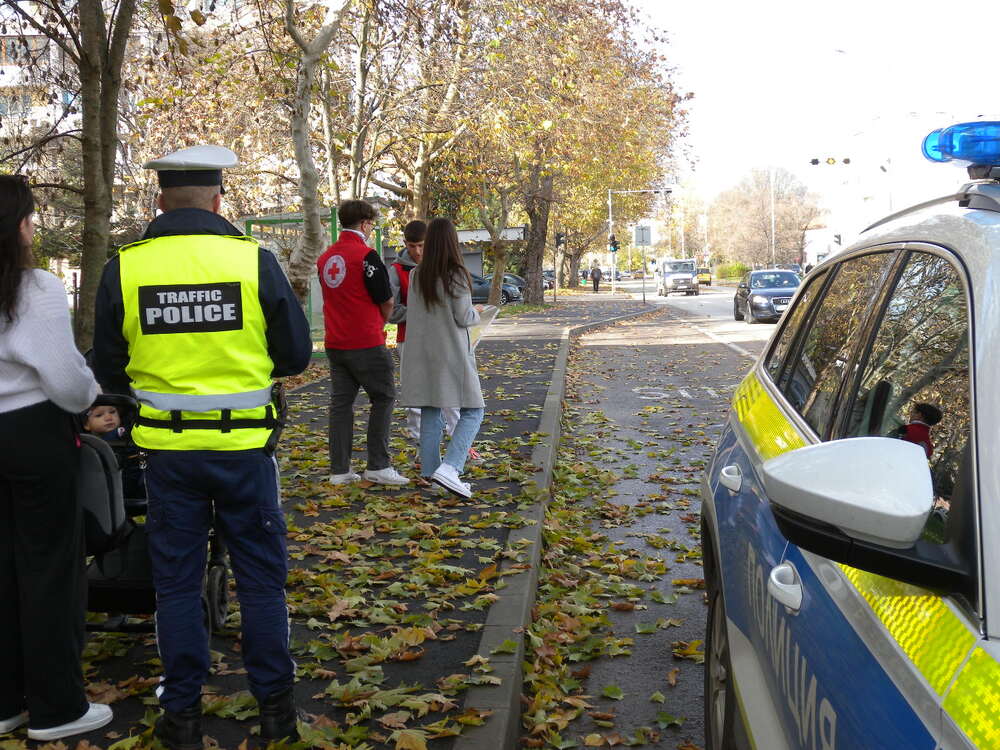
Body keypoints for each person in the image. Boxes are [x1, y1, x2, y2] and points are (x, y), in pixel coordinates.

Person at [92, 146, 312, 750]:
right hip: (245, 450)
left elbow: (107, 365)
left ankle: (182, 715)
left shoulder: (125, 267)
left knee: (176, 585)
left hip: (167, 458)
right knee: (261, 582)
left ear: (159, 202)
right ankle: (277, 712)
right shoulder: (253, 260)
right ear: (219, 202)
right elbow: (295, 355)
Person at [0, 175, 112, 742]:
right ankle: (57, 706)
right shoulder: (35, 288)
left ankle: (5, 700)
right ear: (17, 226)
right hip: (34, 435)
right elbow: (67, 381)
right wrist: (91, 396)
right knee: (49, 569)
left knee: (1, 569)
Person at [318, 199, 409, 486]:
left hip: (335, 341)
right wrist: (379, 322)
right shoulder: (367, 256)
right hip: (366, 341)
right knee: (383, 397)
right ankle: (378, 465)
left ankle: (340, 470)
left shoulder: (326, 258)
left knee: (341, 405)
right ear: (365, 224)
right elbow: (386, 299)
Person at [400, 218, 485, 498]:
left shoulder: (416, 274)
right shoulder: (456, 273)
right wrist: (479, 313)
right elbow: (463, 316)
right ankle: (451, 467)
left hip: (420, 353)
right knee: (474, 410)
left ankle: (432, 473)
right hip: (451, 353)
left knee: (430, 412)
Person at [81, 403, 145, 498]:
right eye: (99, 415)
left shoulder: (125, 433)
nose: (108, 418)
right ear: (86, 424)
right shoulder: (86, 445)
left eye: (112, 412)